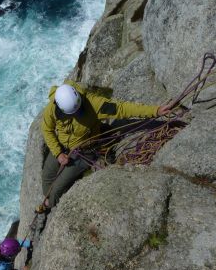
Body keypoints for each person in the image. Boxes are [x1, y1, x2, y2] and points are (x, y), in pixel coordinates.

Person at [41, 80, 172, 208]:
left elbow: (121, 108)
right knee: (47, 175)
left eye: (78, 111)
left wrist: (156, 111)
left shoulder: (93, 104)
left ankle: (49, 205)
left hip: (85, 151)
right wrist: (58, 153)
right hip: (62, 145)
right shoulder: (52, 108)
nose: (76, 114)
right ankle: (47, 198)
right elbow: (47, 129)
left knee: (58, 188)